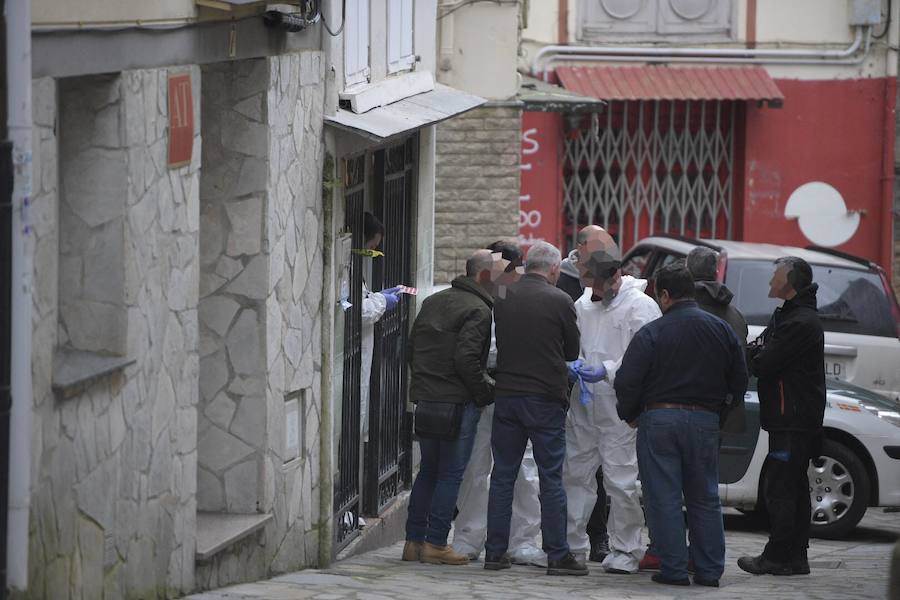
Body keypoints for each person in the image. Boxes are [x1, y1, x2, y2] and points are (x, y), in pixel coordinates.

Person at [615, 261, 748, 587]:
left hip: (659, 418)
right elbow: (740, 380)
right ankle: (709, 570)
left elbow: (627, 381)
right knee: (705, 497)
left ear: (664, 295)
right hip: (704, 419)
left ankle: (674, 569)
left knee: (664, 497)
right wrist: (720, 411)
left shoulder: (653, 331)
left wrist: (630, 413)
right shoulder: (720, 329)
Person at [563, 225, 661, 574]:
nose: (592, 290)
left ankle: (626, 549)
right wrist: (574, 366)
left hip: (621, 408)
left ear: (614, 276)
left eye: (596, 284)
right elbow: (576, 344)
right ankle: (571, 546)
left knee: (621, 481)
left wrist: (605, 369)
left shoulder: (641, 307)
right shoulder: (583, 303)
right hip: (585, 403)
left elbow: (644, 358)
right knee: (575, 474)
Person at [484, 241, 585, 576]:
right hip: (545, 397)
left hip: (508, 395)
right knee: (550, 477)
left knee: (502, 475)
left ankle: (495, 552)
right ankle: (557, 554)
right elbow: (572, 351)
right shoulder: (561, 300)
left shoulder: (504, 296)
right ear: (554, 269)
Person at [403, 249, 501, 565]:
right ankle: (435, 543)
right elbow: (467, 360)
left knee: (428, 471)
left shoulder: (434, 301)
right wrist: (486, 392)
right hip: (457, 403)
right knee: (450, 475)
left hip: (427, 400)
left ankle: (413, 541)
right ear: (484, 276)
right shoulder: (479, 309)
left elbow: (411, 349)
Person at [452, 240, 546, 566]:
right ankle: (467, 538)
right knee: (476, 468)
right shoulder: (481, 301)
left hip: (515, 389)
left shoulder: (526, 301)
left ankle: (522, 540)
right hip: (484, 391)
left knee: (523, 470)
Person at [737, 256, 825, 576]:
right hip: (787, 417)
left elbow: (763, 362)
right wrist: (755, 351)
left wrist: (754, 354)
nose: (770, 281)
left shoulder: (800, 322)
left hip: (793, 419)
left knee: (783, 488)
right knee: (793, 487)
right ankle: (794, 557)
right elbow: (759, 349)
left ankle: (779, 555)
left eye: (775, 276)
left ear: (789, 283)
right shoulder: (787, 316)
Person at [557, 247, 610, 563]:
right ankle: (573, 537)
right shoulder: (564, 284)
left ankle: (597, 535)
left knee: (598, 473)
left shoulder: (605, 290)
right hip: (568, 392)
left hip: (594, 394)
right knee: (574, 472)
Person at [360, 212, 402, 442]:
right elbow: (359, 311)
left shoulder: (352, 267)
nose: (372, 252)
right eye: (371, 246)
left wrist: (378, 297)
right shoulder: (347, 268)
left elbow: (360, 299)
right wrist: (383, 302)